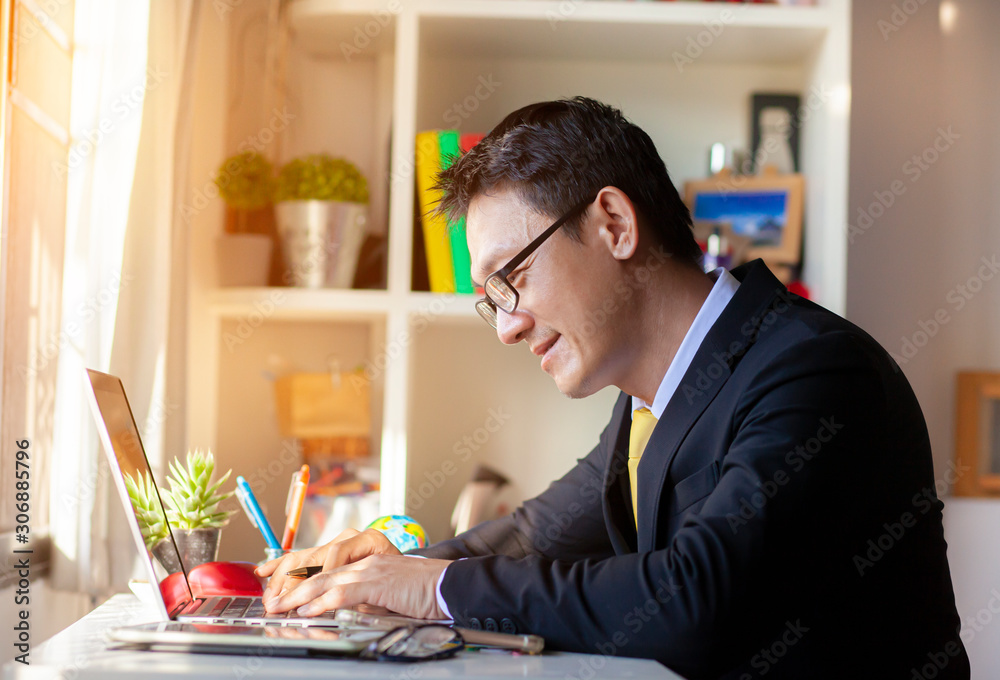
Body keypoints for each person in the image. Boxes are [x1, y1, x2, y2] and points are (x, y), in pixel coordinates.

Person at [257, 97, 969, 679]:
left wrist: (430, 589)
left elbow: (696, 600)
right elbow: (539, 533)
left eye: (513, 279)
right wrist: (375, 570)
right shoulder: (653, 397)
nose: (506, 327)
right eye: (491, 298)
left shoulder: (815, 372)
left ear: (615, 224)